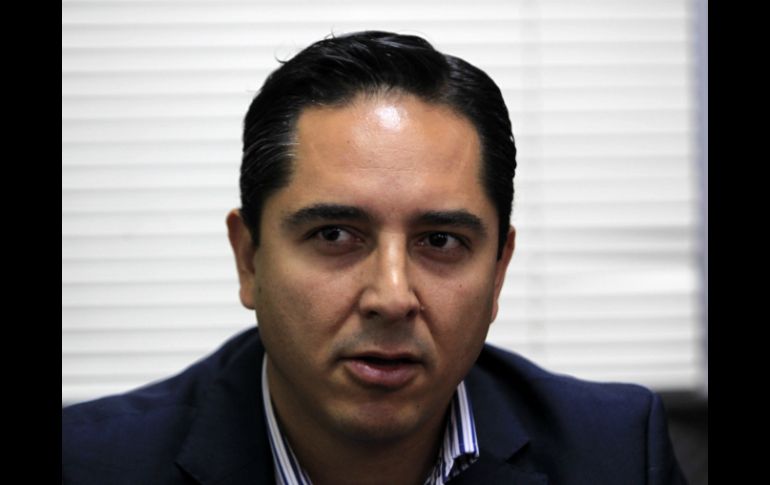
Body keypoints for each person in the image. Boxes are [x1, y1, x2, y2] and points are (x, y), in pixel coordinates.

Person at [62, 31, 687, 485]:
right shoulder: (89, 464)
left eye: (440, 241)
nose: (391, 297)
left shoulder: (615, 453)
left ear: (498, 271)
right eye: (335, 235)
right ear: (249, 259)